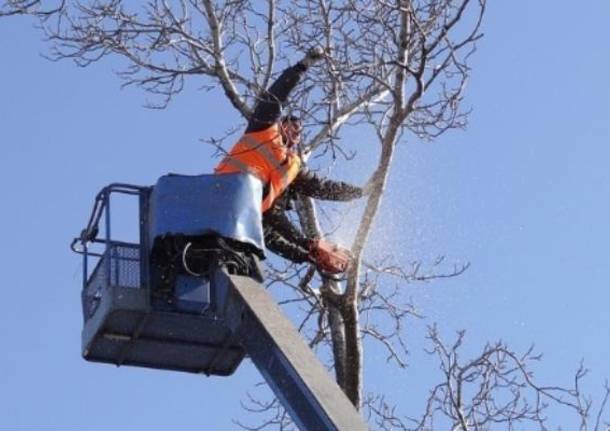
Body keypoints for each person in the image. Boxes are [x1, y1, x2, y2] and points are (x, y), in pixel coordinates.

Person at [215, 48, 366, 274]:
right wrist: (301, 67)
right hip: (219, 198)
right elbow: (274, 97)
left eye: (300, 131)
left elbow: (320, 189)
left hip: (238, 223)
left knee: (249, 270)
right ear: (282, 124)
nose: (297, 132)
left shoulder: (290, 168)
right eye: (294, 126)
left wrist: (306, 251)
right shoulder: (263, 130)